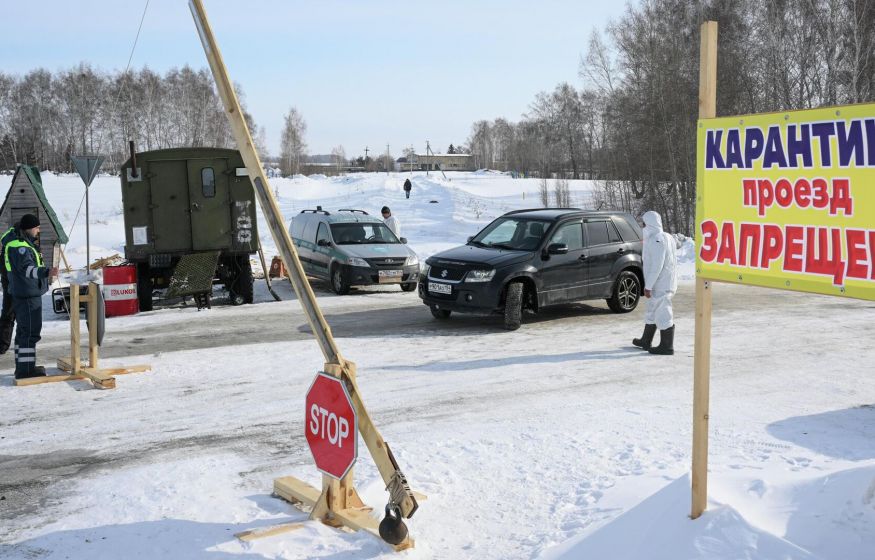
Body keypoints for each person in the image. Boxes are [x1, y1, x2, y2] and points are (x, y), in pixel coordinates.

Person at [5, 213, 52, 379]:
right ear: (30, 228)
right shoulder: (20, 247)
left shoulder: (21, 243)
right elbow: (27, 269)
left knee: (24, 332)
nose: (38, 230)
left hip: (24, 293)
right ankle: (26, 370)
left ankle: (24, 366)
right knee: (30, 333)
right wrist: (45, 272)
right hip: (27, 295)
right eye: (37, 227)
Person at [632, 210, 677, 355]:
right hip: (663, 282)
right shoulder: (667, 237)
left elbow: (657, 265)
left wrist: (648, 286)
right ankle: (646, 339)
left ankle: (666, 345)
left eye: (644, 223)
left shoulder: (657, 239)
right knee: (652, 310)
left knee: (663, 312)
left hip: (660, 284)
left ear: (650, 224)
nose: (643, 226)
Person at [0, 222, 20, 354]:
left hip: (7, 279)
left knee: (8, 313)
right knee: (12, 314)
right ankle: (4, 345)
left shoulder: (7, 237)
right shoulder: (17, 242)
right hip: (15, 281)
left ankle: (3, 345)